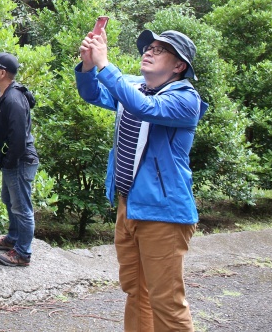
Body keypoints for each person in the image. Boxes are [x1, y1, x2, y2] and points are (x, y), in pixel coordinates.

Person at [77, 27, 205, 332]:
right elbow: (91, 92)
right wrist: (87, 64)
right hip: (128, 205)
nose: (148, 51)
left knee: (166, 302)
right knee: (136, 291)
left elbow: (143, 108)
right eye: (148, 47)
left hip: (163, 213)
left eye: (159, 50)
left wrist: (104, 64)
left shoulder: (186, 99)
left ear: (179, 66)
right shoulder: (134, 87)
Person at [0, 52, 39, 268]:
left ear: (2, 72)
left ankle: (23, 253)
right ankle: (13, 238)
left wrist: (9, 163)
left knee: (22, 207)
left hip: (20, 160)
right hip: (13, 159)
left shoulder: (13, 99)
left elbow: (18, 140)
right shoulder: (4, 93)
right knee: (9, 199)